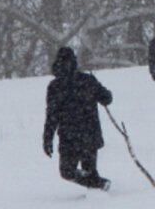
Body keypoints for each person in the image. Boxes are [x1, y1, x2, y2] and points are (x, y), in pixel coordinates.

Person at [43, 46, 114, 190]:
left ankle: (97, 192)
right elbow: (107, 99)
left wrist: (48, 138)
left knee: (67, 172)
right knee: (89, 172)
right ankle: (99, 189)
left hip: (69, 137)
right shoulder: (87, 80)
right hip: (89, 134)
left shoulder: (55, 86)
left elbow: (52, 116)